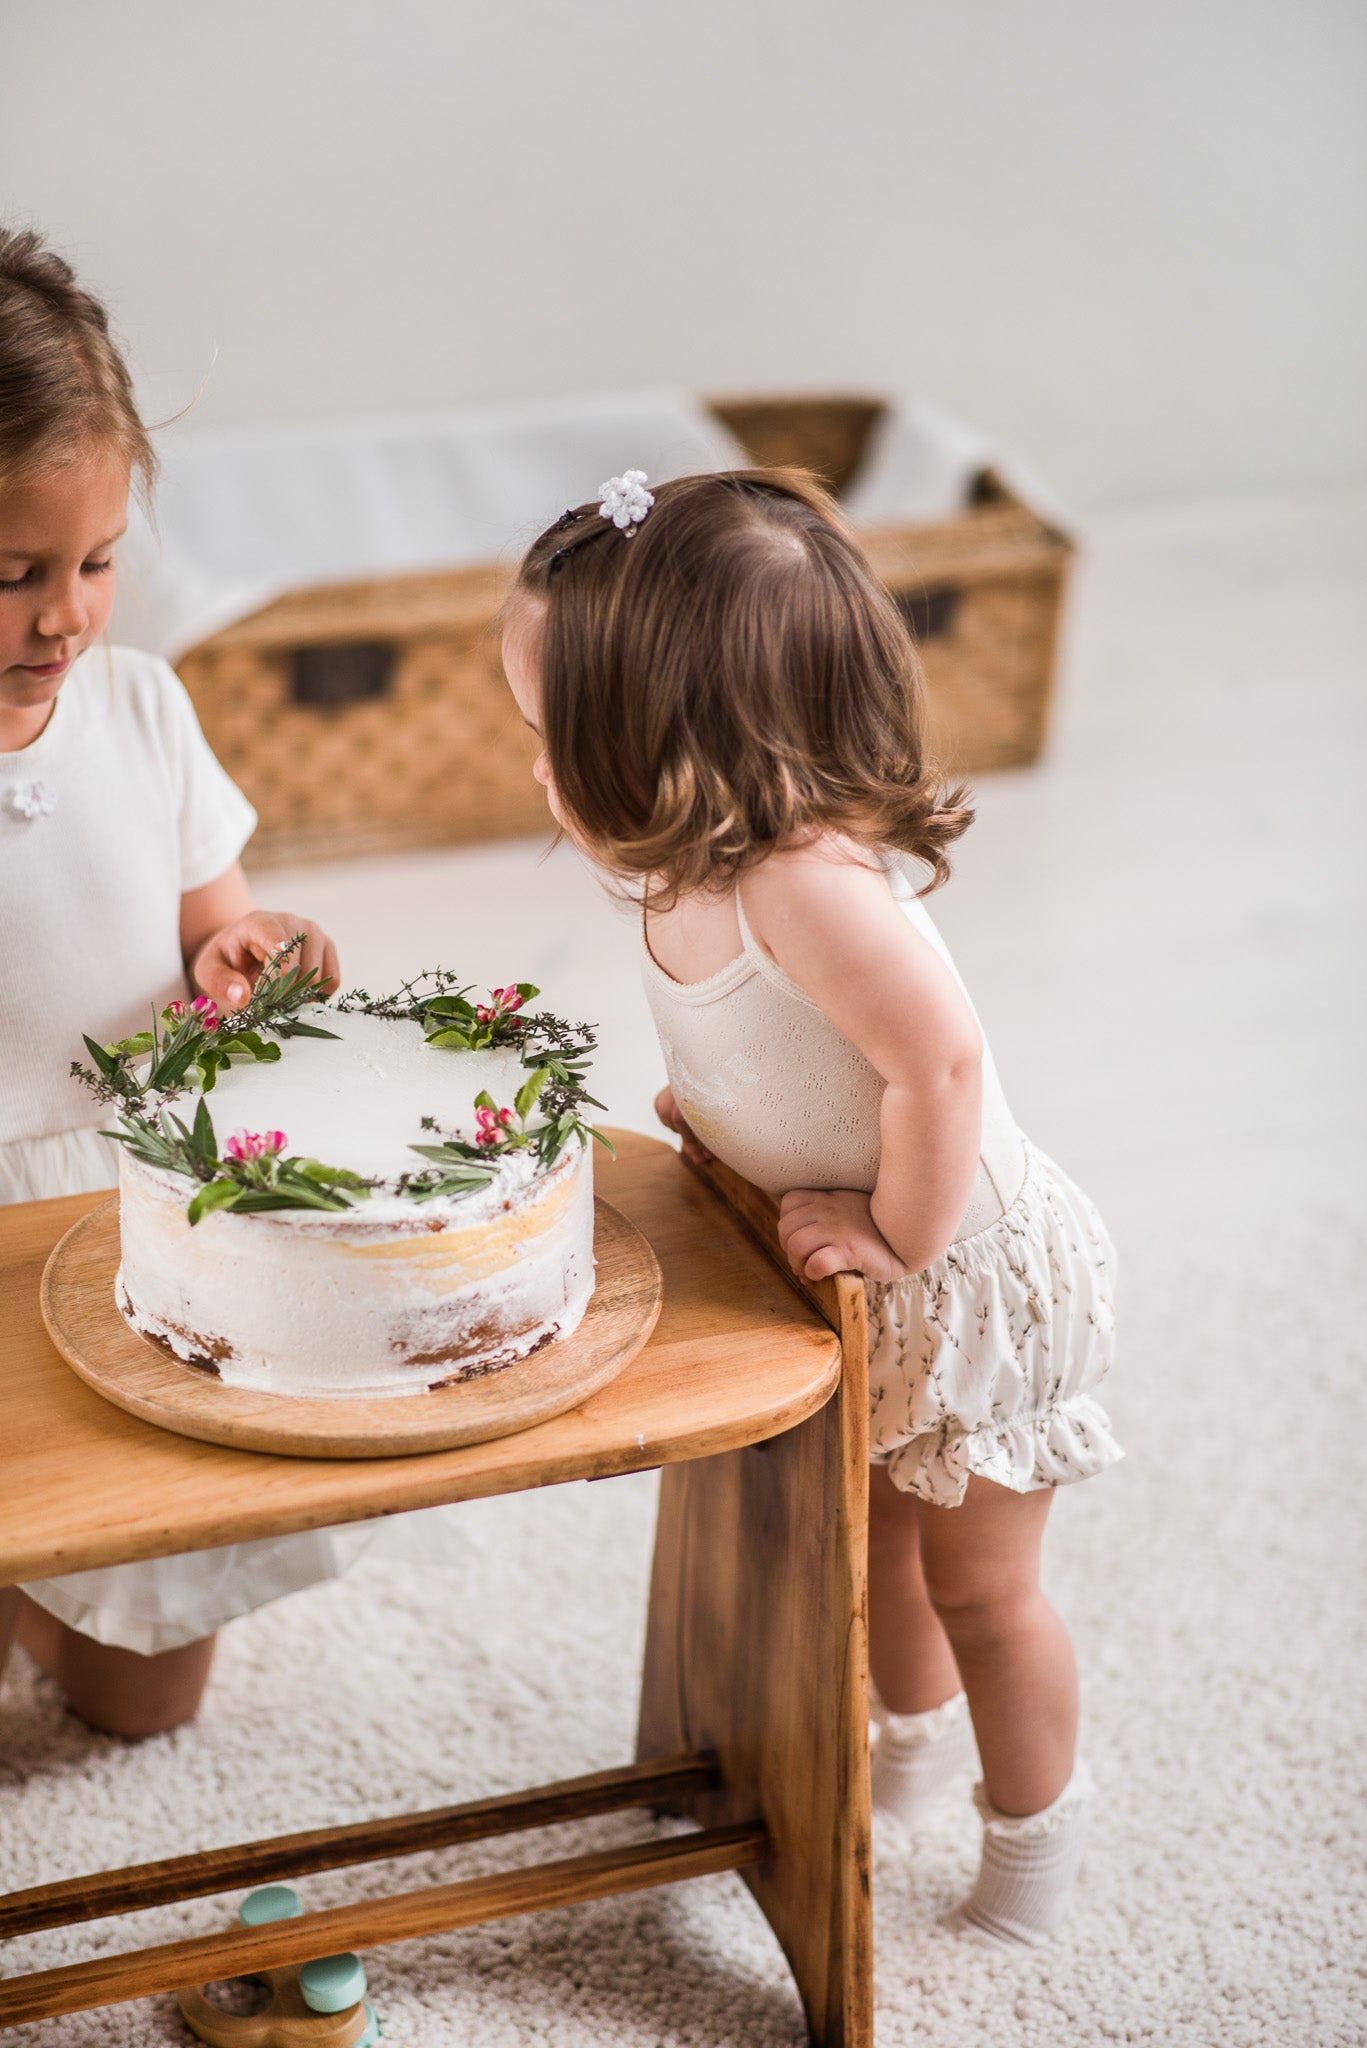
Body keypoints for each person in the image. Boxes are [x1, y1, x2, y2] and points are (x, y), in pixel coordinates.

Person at [501, 467, 1123, 1946]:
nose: (531, 772)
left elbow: (940, 1060)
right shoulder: (693, 873)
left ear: (662, 746)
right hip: (869, 1270)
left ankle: (1038, 1839)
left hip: (968, 1276)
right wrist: (715, 1119)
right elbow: (778, 1053)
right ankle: (901, 1752)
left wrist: (900, 1234)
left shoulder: (805, 885)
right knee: (883, 1559)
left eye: (548, 740)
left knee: (981, 1584)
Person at [0, 225, 368, 1738]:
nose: (65, 616)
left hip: (131, 1205)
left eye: (94, 563)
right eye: (12, 573)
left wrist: (246, 961)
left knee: (145, 1696)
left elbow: (214, 944)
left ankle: (77, 1609)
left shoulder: (140, 710)